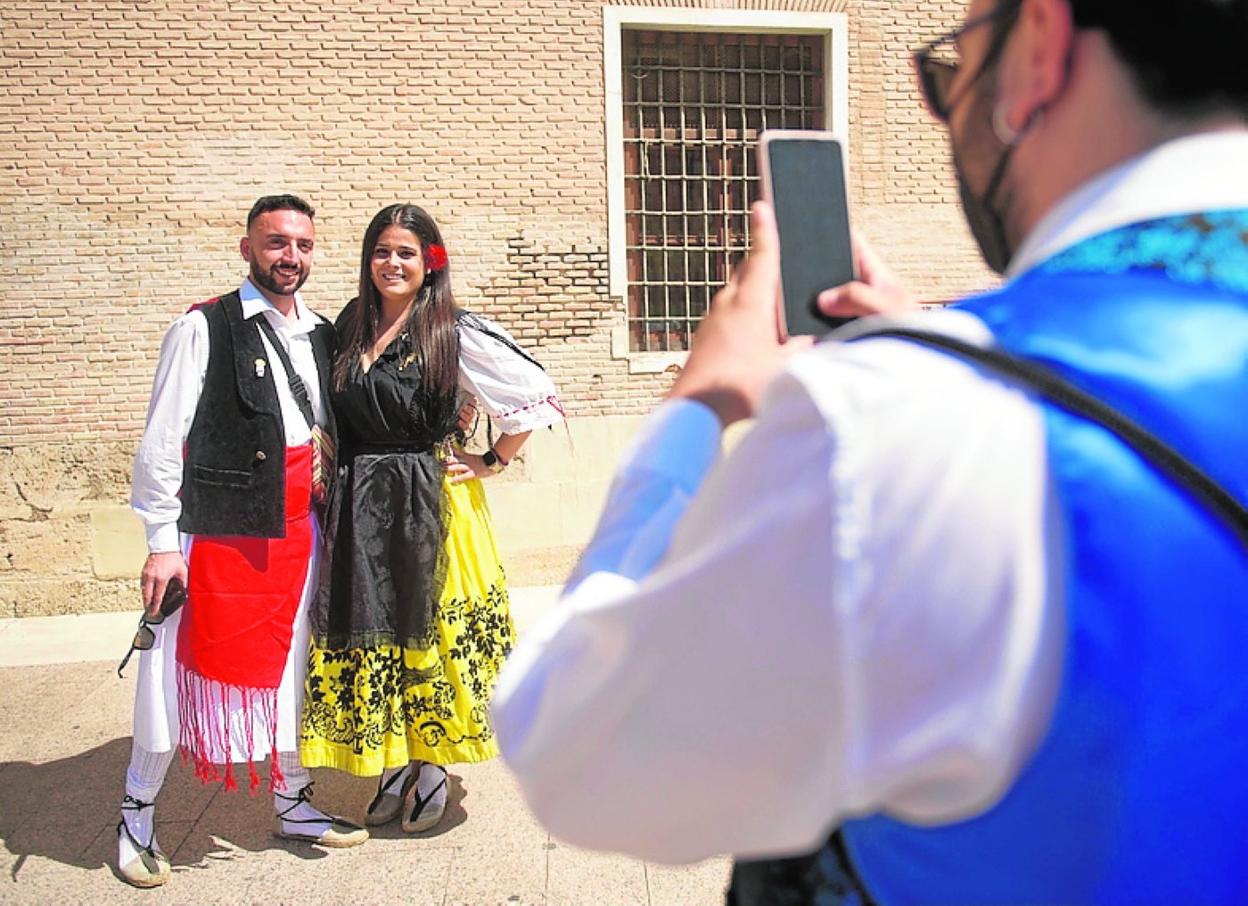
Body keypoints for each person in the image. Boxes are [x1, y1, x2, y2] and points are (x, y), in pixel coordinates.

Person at [490, 0, 1248, 902]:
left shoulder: (905, 420)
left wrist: (697, 406)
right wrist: (946, 345)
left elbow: (576, 751)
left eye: (948, 72)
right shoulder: (945, 391)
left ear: (1038, 47)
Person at [121, 194, 368, 888]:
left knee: (294, 671)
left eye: (303, 245)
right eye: (276, 243)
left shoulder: (320, 331)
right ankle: (136, 815)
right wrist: (161, 541)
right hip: (221, 536)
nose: (291, 256)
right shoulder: (203, 328)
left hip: (302, 532)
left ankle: (291, 802)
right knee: (172, 674)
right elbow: (162, 444)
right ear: (247, 249)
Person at [299, 203, 562, 835]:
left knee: (433, 633)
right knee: (377, 628)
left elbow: (532, 391)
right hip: (361, 497)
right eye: (383, 251)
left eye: (407, 253)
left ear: (429, 263)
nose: (393, 263)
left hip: (432, 498)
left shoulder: (451, 329)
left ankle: (435, 766)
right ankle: (394, 763)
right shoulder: (350, 325)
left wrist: (493, 458)